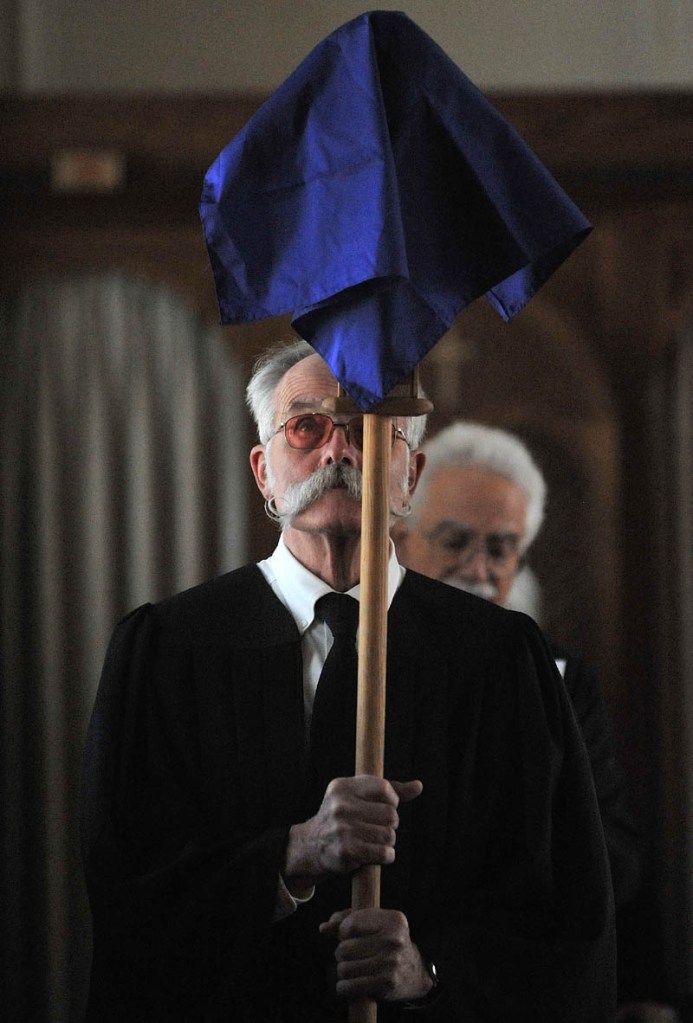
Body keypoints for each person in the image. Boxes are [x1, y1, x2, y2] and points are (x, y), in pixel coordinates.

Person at [81, 340, 615, 1022]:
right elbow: (129, 892)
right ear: (263, 472)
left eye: (367, 428)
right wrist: (294, 853)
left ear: (410, 474)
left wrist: (426, 970)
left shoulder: (499, 658)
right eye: (306, 427)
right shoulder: (165, 650)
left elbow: (560, 911)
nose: (338, 452)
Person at [394, 420, 679, 1023]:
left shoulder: (561, 680)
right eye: (454, 540)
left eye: (499, 548)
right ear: (400, 539)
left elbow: (614, 859)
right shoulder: (360, 663)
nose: (477, 568)